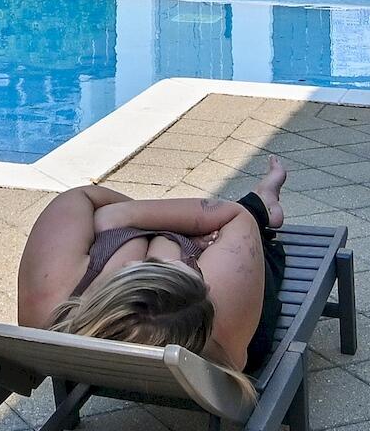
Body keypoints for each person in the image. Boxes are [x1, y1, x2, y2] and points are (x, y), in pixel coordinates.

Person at [15, 159, 291, 372]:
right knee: (256, 249)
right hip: (243, 332)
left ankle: (263, 201)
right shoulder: (221, 340)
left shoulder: (46, 305)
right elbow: (236, 216)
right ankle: (263, 203)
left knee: (113, 223)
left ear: (130, 270)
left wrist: (120, 219)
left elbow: (81, 196)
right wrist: (145, 224)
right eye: (188, 266)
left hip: (93, 366)